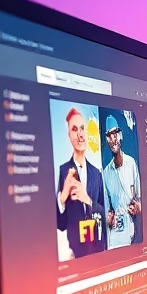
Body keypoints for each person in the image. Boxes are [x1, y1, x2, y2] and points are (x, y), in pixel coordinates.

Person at [55, 106, 105, 259]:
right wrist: (62, 198)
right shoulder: (64, 171)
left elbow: (105, 214)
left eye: (82, 128)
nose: (80, 134)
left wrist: (87, 200)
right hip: (76, 256)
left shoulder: (97, 174)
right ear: (69, 135)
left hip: (98, 252)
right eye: (74, 129)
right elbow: (61, 224)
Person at [102, 114, 142, 249]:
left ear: (121, 135)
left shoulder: (131, 164)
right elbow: (107, 209)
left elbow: (140, 198)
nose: (113, 139)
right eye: (109, 135)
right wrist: (108, 217)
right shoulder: (106, 173)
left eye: (115, 133)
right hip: (117, 235)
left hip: (134, 229)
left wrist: (138, 206)